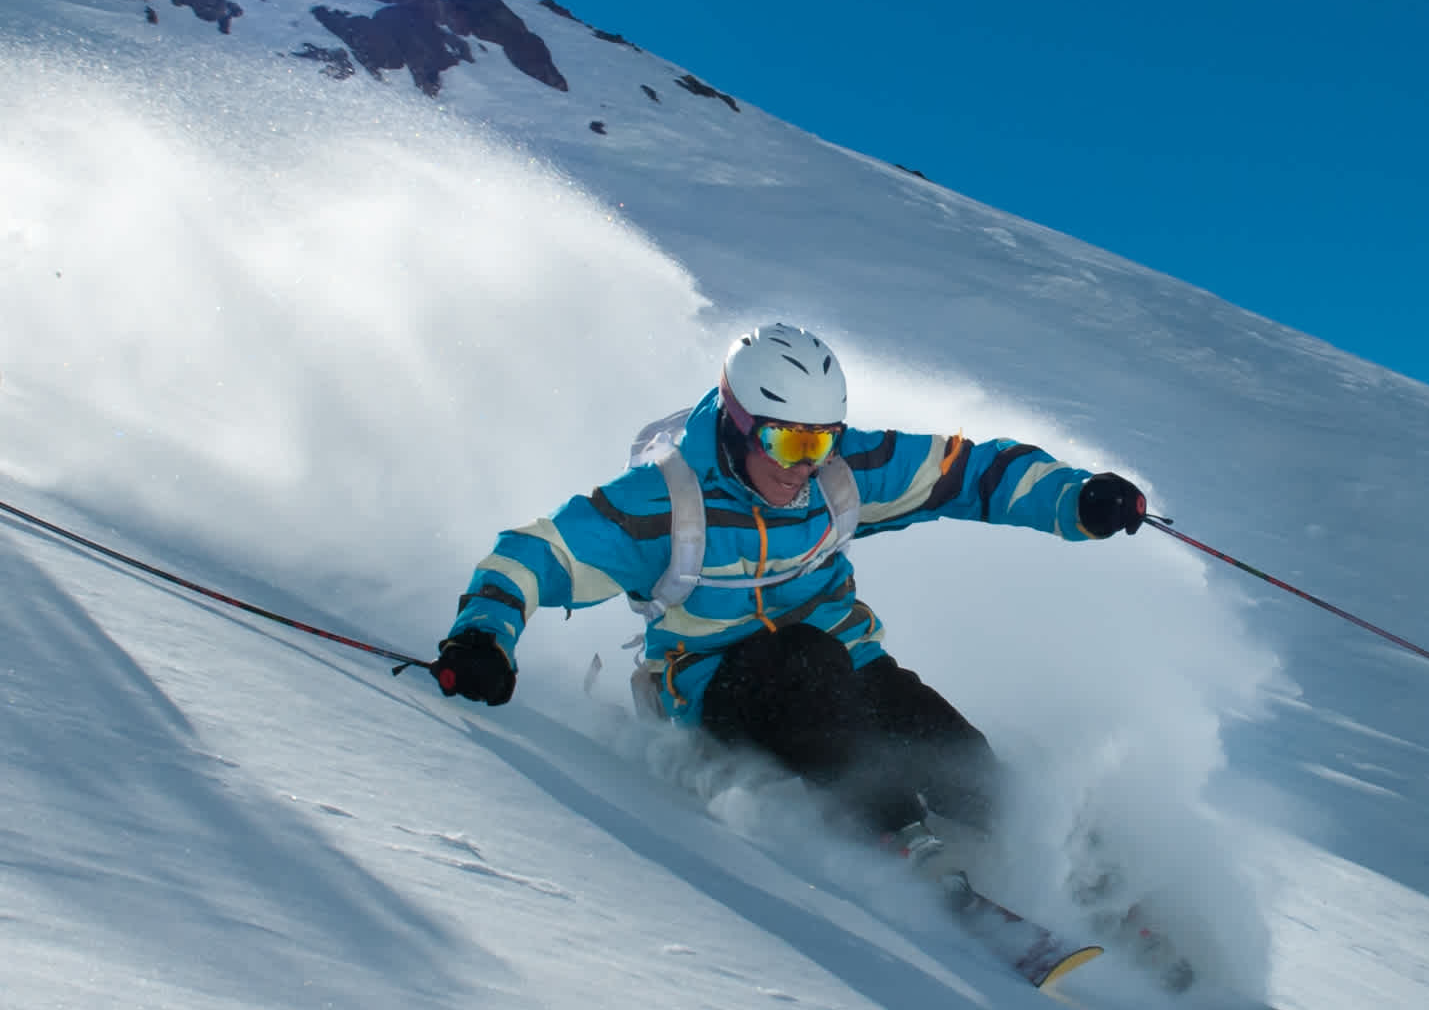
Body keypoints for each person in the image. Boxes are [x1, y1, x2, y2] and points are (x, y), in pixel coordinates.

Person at [429, 323, 1145, 847]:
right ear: (740, 426)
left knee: (947, 752)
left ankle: (1059, 867)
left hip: (843, 668)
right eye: (788, 441)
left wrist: (1074, 498)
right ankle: (900, 840)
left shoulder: (839, 475)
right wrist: (481, 637)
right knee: (806, 673)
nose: (805, 464)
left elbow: (967, 472)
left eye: (822, 439)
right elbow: (533, 556)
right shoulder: (665, 503)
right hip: (717, 692)